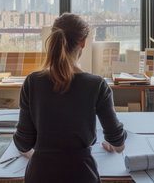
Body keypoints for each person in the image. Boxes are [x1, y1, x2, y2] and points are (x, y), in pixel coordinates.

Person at [13, 13, 127, 183]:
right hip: (82, 175)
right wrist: (115, 144)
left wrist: (37, 153)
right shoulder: (97, 85)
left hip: (40, 175)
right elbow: (118, 143)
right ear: (83, 43)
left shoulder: (32, 82)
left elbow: (23, 143)